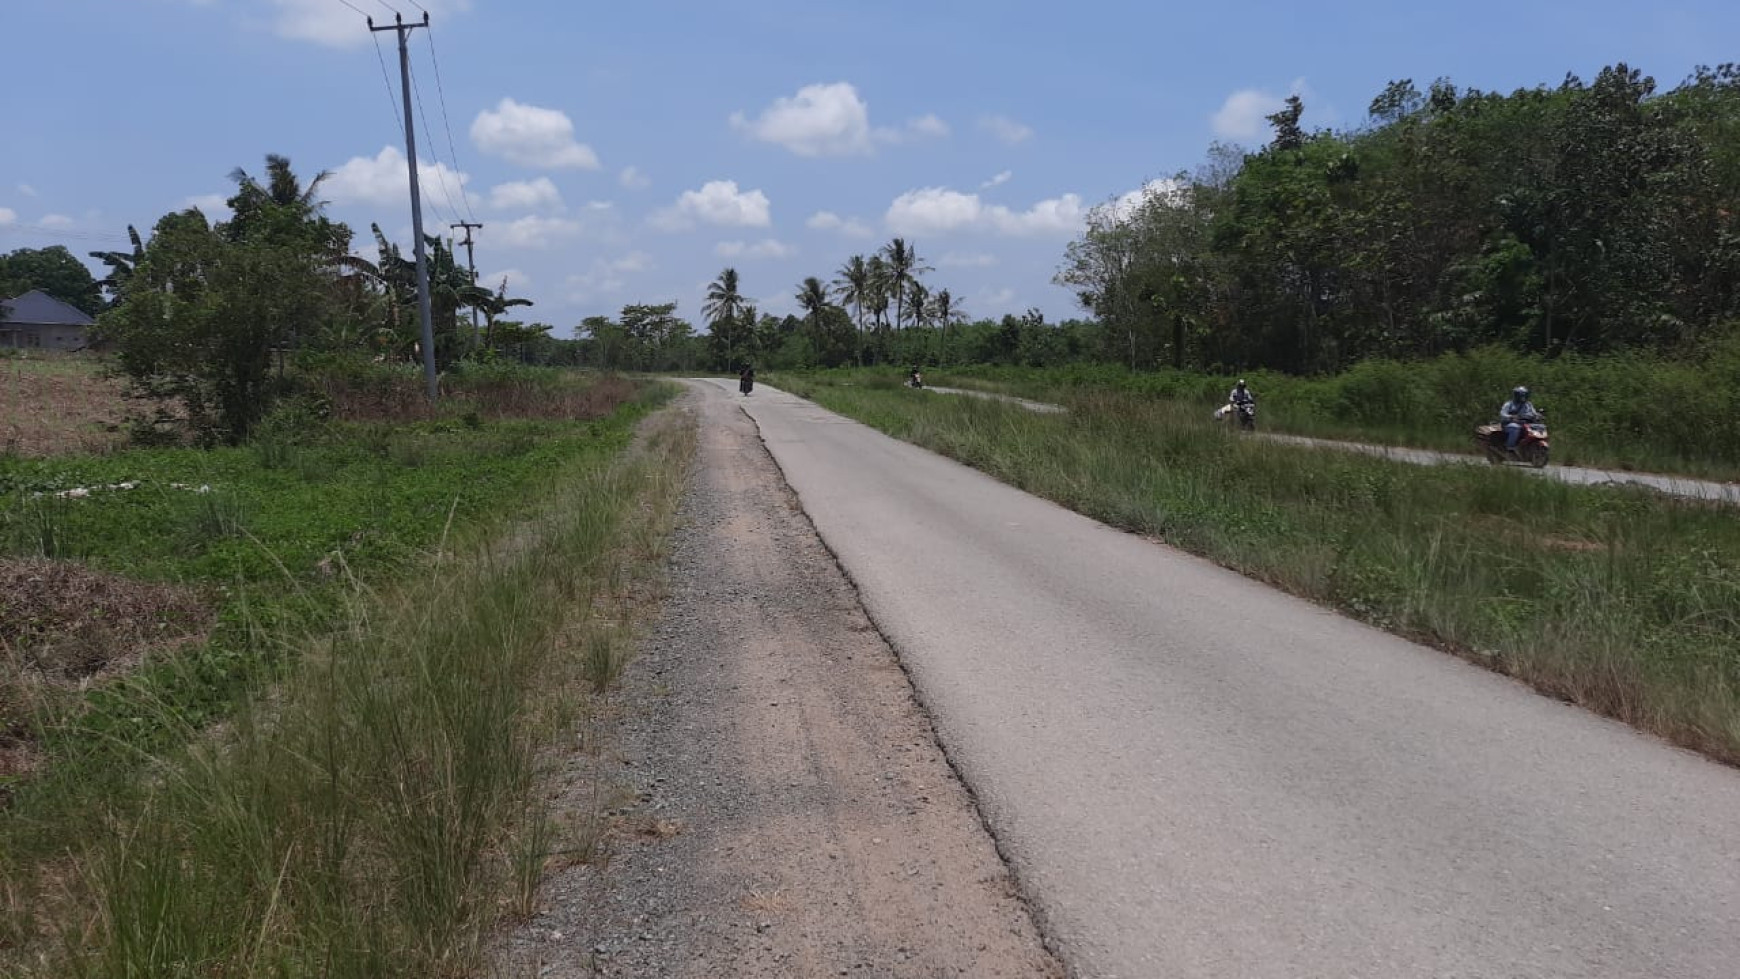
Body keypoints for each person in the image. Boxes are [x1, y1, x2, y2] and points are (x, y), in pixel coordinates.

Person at [1498, 385, 1541, 452]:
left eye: (1524, 395)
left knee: (1540, 427)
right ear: (1516, 395)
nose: (1523, 397)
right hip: (1509, 423)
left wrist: (1538, 415)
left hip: (1526, 423)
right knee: (1515, 427)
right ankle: (1510, 447)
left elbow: (1534, 413)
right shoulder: (1509, 404)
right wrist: (1511, 416)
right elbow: (1502, 414)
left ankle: (1530, 446)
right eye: (1521, 395)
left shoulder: (1528, 404)